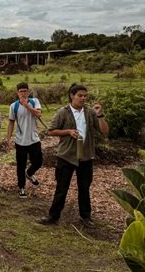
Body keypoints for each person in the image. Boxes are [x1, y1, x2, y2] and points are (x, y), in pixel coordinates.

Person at [40, 84, 109, 227]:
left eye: (85, 96)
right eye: (80, 95)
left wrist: (100, 115)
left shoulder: (90, 112)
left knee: (84, 188)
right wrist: (68, 132)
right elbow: (51, 131)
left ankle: (86, 217)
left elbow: (104, 131)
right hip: (66, 156)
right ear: (72, 96)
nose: (83, 98)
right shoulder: (62, 112)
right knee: (61, 188)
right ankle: (53, 216)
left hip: (86, 156)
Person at [6, 82, 43, 199]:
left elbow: (39, 114)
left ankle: (30, 173)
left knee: (38, 162)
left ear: (28, 92)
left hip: (34, 138)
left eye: (25, 91)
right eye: (20, 91)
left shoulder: (34, 101)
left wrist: (27, 106)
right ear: (17, 93)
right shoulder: (13, 106)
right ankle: (21, 187)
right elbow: (11, 122)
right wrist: (8, 138)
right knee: (20, 165)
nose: (23, 93)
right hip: (20, 140)